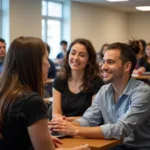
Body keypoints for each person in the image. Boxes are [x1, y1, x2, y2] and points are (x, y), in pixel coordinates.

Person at [50, 41, 150, 150]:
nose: (103, 67)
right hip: (111, 146)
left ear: (127, 66)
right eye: (103, 61)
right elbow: (89, 119)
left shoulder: (143, 92)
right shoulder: (104, 90)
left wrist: (74, 129)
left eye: (110, 62)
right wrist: (62, 126)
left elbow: (120, 129)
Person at [0, 36, 90, 150]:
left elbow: (13, 135)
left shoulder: (5, 91)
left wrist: (37, 139)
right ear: (34, 63)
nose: (49, 64)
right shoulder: (32, 102)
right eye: (46, 59)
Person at [51, 38, 104, 121]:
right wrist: (60, 120)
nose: (75, 58)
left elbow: (93, 116)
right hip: (62, 128)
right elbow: (56, 113)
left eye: (82, 55)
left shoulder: (96, 82)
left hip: (85, 130)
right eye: (73, 53)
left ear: (89, 60)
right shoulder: (60, 80)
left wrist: (66, 121)